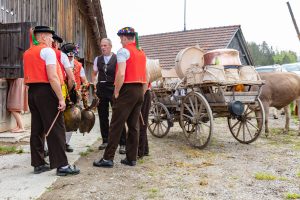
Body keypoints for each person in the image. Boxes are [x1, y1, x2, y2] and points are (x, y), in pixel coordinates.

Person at [23, 25, 80, 176]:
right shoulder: (46, 51)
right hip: (47, 90)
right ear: (42, 37)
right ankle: (62, 165)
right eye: (49, 37)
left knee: (37, 128)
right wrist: (61, 98)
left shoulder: (27, 53)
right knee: (56, 128)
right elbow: (53, 76)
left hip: (32, 92)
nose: (51, 41)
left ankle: (38, 163)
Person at [93, 27, 147, 168]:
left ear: (124, 38)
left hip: (127, 89)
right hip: (139, 89)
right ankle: (131, 158)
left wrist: (116, 91)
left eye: (121, 39)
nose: (120, 41)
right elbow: (146, 74)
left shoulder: (123, 51)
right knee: (133, 125)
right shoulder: (141, 52)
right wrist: (143, 89)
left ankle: (108, 158)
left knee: (115, 124)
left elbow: (121, 74)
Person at [91, 38, 126, 154]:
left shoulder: (117, 58)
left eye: (105, 45)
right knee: (102, 116)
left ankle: (122, 143)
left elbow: (121, 73)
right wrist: (94, 85)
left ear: (110, 46)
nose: (103, 47)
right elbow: (94, 73)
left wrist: (118, 89)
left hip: (114, 88)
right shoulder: (97, 59)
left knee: (118, 116)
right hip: (101, 88)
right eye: (101, 45)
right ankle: (105, 140)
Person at [61, 42, 88, 152]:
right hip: (61, 93)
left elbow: (84, 81)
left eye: (72, 55)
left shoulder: (79, 65)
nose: (70, 57)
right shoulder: (60, 63)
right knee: (60, 120)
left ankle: (66, 143)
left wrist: (84, 88)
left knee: (72, 120)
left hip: (74, 95)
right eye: (68, 55)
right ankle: (54, 144)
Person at [138, 83, 152, 159]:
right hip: (143, 92)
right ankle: (145, 150)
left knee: (141, 123)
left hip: (144, 92)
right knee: (142, 122)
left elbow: (147, 77)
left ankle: (141, 152)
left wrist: (141, 95)